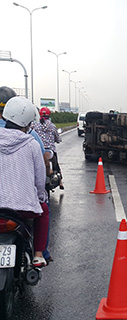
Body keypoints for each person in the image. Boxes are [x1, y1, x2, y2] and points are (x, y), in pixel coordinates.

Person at [0, 86, 54, 264]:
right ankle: (39, 254)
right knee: (44, 209)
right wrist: (40, 197)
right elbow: (40, 179)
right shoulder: (31, 143)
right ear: (28, 123)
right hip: (23, 208)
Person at [32, 107, 64, 189]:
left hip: (39, 151)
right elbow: (57, 138)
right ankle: (61, 183)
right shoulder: (52, 126)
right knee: (56, 166)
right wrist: (58, 140)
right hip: (50, 151)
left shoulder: (35, 125)